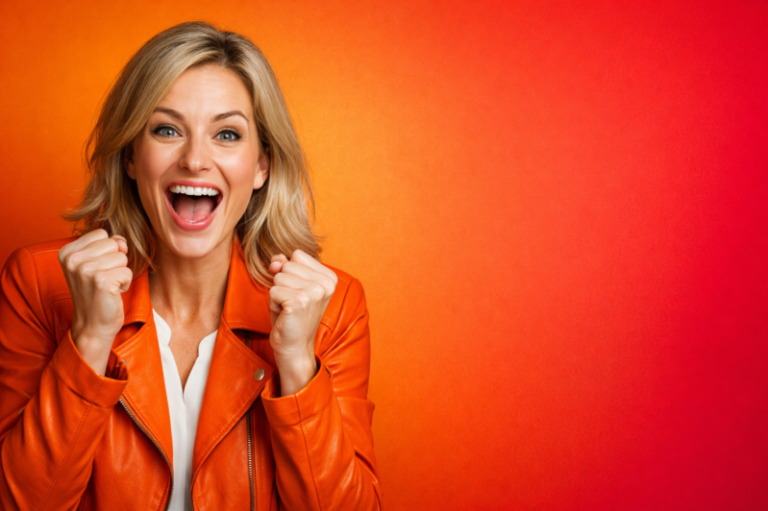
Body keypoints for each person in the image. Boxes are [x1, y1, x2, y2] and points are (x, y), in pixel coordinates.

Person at [0, 21, 381, 510]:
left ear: (262, 165)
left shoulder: (332, 309)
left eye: (226, 134)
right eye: (166, 130)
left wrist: (298, 367)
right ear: (132, 156)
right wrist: (90, 341)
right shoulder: (39, 283)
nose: (195, 160)